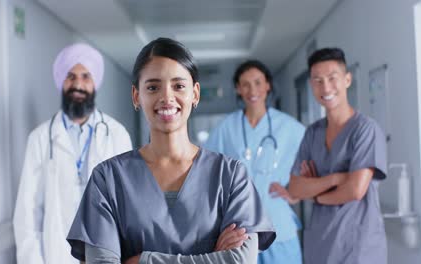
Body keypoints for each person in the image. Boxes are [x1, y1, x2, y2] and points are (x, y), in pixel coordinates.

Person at [66, 38, 276, 264]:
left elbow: (242, 261)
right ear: (137, 96)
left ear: (195, 93)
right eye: (153, 87)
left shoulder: (231, 176)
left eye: (178, 86)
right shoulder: (108, 179)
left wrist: (142, 261)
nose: (166, 97)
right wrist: (215, 258)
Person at [13, 43, 133, 264]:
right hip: (57, 255)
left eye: (86, 76)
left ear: (95, 82)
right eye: (70, 76)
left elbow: (129, 206)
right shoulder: (39, 139)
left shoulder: (117, 135)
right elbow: (27, 214)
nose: (78, 84)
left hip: (107, 254)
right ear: (61, 81)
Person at [288, 47, 387, 264]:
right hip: (319, 245)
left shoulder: (365, 130)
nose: (325, 87)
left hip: (358, 246)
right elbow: (295, 188)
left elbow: (354, 190)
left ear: (347, 79)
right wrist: (334, 179)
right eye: (317, 80)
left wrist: (315, 192)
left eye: (332, 78)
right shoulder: (312, 133)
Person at [204, 60, 305, 264]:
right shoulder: (226, 127)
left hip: (279, 225)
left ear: (268, 85)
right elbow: (206, 171)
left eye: (258, 82)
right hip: (240, 227)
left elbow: (311, 164)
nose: (253, 90)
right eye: (246, 84)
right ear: (238, 88)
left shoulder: (289, 127)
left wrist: (296, 194)